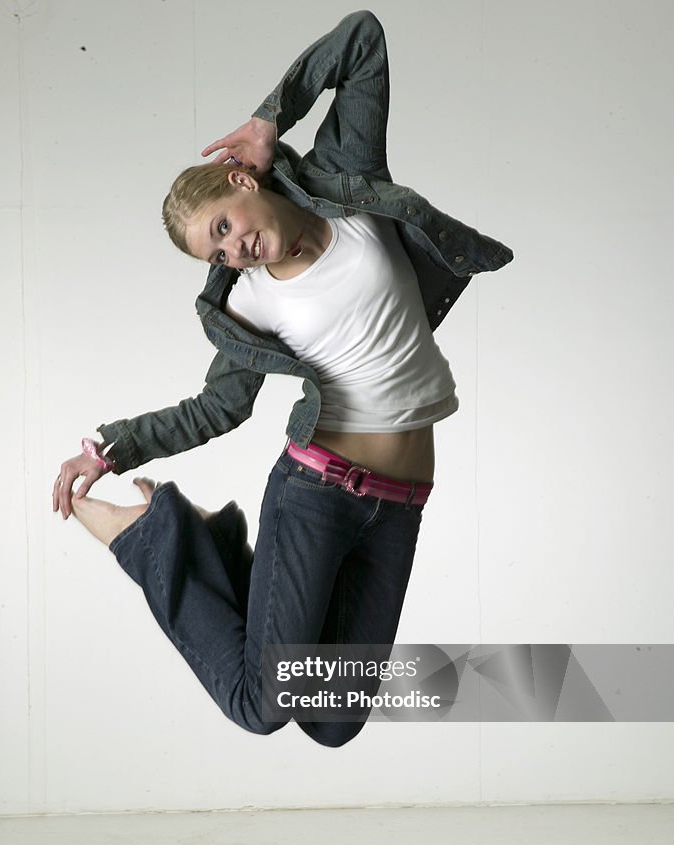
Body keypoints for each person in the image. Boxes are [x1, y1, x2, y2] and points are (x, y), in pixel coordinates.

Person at [52, 11, 513, 747]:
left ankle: (209, 546)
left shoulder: (345, 181)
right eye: (219, 253)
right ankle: (147, 536)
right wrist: (110, 449)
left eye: (225, 227)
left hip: (401, 504)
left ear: (242, 179)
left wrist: (271, 118)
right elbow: (216, 408)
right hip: (315, 494)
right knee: (263, 706)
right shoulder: (251, 302)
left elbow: (362, 41)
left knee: (332, 720)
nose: (234, 251)